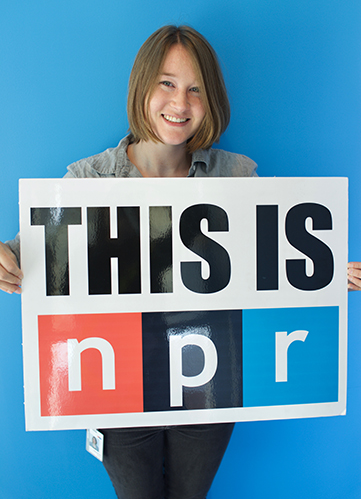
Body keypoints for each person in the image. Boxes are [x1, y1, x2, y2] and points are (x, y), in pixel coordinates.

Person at [0, 25, 360, 499]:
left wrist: (335, 271)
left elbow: (277, 264)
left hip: (208, 383)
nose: (180, 102)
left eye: (195, 89)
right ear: (142, 87)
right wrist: (5, 257)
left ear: (210, 100)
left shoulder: (238, 175)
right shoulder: (85, 180)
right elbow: (31, 258)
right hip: (116, 386)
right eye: (167, 83)